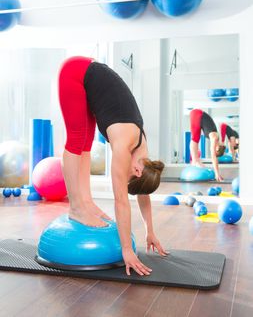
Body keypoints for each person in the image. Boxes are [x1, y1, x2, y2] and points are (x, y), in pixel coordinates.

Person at [58, 56, 167, 276]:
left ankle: (86, 202)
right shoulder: (124, 147)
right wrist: (126, 250)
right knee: (77, 138)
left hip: (88, 75)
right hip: (75, 73)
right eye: (129, 180)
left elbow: (142, 192)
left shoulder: (142, 154)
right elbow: (121, 202)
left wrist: (150, 231)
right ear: (136, 170)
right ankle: (76, 207)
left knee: (85, 144)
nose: (124, 178)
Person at [189, 109, 225, 182]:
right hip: (198, 114)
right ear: (217, 149)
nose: (213, 151)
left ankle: (196, 160)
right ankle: (195, 161)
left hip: (198, 115)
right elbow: (213, 157)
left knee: (196, 138)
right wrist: (217, 173)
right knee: (195, 138)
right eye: (216, 151)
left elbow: (221, 147)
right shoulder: (215, 138)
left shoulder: (216, 138)